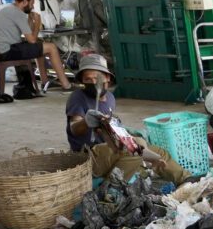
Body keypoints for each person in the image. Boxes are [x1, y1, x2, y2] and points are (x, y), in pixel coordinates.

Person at [66, 54, 189, 185]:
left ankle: (187, 180)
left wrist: (125, 132)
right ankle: (111, 190)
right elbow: (74, 128)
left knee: (158, 152)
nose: (93, 83)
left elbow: (112, 131)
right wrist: (86, 122)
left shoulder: (110, 98)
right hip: (88, 156)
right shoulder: (77, 97)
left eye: (97, 78)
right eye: (88, 79)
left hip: (109, 149)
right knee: (133, 151)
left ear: (107, 78)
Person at [0, 0, 73, 93]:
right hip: (7, 51)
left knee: (40, 46)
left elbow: (30, 37)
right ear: (24, 2)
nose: (33, 7)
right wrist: (38, 22)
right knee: (51, 47)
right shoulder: (17, 13)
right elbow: (32, 40)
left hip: (1, 50)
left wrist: (29, 19)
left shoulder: (8, 8)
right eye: (32, 3)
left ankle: (45, 82)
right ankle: (66, 85)